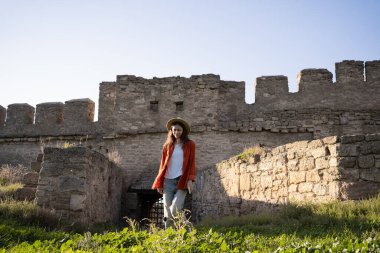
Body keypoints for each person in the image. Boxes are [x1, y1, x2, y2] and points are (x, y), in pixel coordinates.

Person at [152, 117, 196, 229]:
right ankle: (169, 238)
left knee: (175, 210)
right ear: (171, 130)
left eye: (179, 130)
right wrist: (159, 183)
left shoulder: (190, 144)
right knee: (167, 214)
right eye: (174, 130)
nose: (176, 132)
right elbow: (162, 166)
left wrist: (190, 179)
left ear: (183, 131)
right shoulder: (167, 146)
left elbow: (192, 163)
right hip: (168, 182)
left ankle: (189, 229)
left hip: (182, 180)